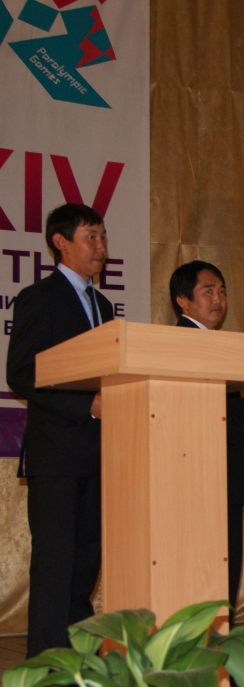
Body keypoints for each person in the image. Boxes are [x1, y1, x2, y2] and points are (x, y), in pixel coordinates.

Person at [7, 203, 114, 657]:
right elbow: (21, 373)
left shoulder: (103, 305)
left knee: (87, 559)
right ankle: (46, 667)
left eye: (103, 237)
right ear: (60, 242)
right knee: (55, 563)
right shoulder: (39, 298)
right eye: (91, 237)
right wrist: (86, 404)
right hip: (55, 453)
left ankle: (79, 660)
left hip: (99, 452)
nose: (101, 247)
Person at [168, 261, 244, 622]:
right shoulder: (178, 344)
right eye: (208, 291)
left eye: (222, 291)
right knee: (203, 575)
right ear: (183, 300)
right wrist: (242, 429)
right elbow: (184, 412)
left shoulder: (218, 343)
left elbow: (223, 405)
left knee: (225, 572)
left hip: (226, 476)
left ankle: (221, 640)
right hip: (196, 477)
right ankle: (203, 645)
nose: (218, 299)